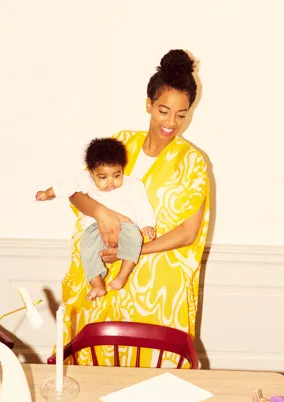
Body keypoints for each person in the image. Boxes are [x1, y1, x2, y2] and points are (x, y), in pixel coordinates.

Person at [58, 49, 210, 365]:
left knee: (153, 386)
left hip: (158, 292)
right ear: (148, 105)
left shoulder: (192, 162)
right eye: (164, 111)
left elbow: (188, 233)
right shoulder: (121, 143)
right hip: (103, 274)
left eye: (181, 115)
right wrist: (101, 213)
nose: (171, 123)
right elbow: (76, 192)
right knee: (98, 375)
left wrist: (133, 250)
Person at [36, 138, 156, 300]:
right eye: (103, 177)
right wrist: (48, 193)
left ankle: (123, 274)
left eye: (116, 175)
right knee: (86, 247)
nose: (111, 182)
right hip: (95, 227)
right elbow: (66, 187)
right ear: (92, 174)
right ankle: (97, 283)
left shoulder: (132, 185)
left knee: (135, 237)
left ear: (122, 169)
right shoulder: (85, 181)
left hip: (126, 225)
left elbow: (142, 205)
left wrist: (148, 224)